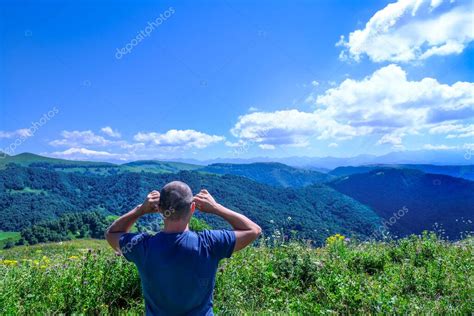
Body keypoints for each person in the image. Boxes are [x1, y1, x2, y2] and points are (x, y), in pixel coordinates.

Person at [105, 181, 261, 315]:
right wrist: (216, 207)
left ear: (159, 209)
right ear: (193, 208)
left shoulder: (142, 247)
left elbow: (112, 233)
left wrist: (139, 210)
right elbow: (253, 230)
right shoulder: (210, 244)